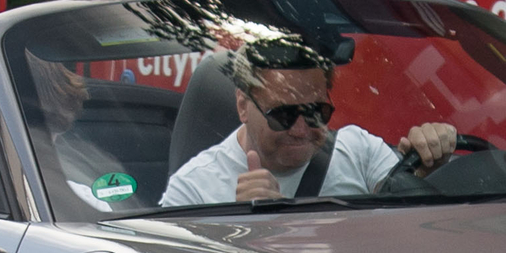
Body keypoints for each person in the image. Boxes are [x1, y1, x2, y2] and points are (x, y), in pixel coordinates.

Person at [160, 40, 457, 207]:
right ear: (243, 105)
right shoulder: (194, 191)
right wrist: (243, 226)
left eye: (316, 112)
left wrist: (429, 170)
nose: (301, 130)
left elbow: (414, 231)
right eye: (283, 116)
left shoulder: (358, 152)